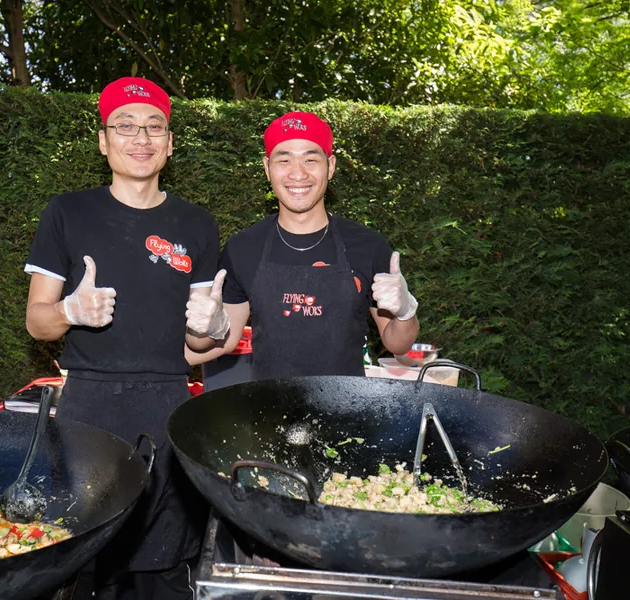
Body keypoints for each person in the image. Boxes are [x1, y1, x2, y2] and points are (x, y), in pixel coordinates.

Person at [24, 77, 229, 599]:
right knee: (84, 557)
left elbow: (197, 348)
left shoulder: (197, 223)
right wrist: (70, 310)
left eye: (153, 126)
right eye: (125, 126)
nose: (140, 138)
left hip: (168, 404)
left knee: (163, 565)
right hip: (90, 406)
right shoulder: (67, 212)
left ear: (169, 142)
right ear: (103, 140)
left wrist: (213, 328)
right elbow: (37, 322)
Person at [187, 111, 419, 378]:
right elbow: (224, 340)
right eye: (284, 159)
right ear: (267, 168)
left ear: (330, 166)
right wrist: (207, 328)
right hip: (269, 412)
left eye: (311, 159)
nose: (298, 173)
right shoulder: (243, 248)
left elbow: (398, 343)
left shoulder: (367, 246)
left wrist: (405, 312)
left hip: (347, 410)